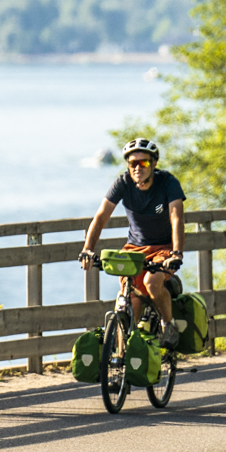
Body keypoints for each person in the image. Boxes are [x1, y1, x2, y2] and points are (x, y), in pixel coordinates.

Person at [78, 138, 187, 347]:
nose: (138, 167)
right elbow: (100, 217)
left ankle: (168, 325)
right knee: (130, 301)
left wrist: (176, 253)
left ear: (153, 164)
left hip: (163, 249)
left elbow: (177, 219)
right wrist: (87, 250)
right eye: (132, 163)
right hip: (134, 249)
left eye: (143, 162)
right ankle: (122, 357)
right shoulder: (123, 183)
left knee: (151, 282)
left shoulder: (168, 183)